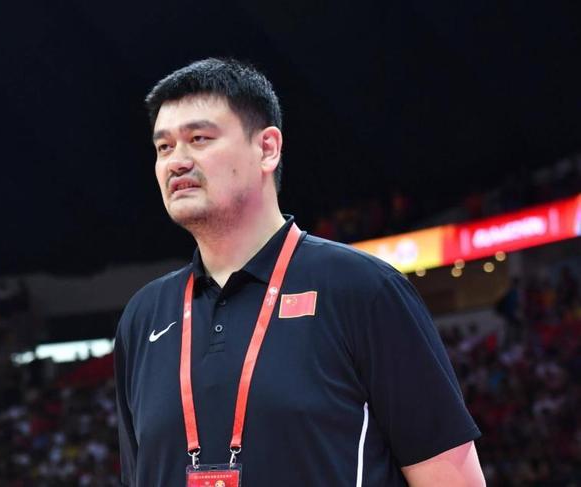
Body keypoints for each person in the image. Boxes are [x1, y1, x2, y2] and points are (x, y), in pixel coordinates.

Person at [114, 58, 485, 486]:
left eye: (199, 139)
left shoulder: (363, 289)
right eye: (164, 147)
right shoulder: (143, 318)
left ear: (267, 148)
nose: (177, 162)